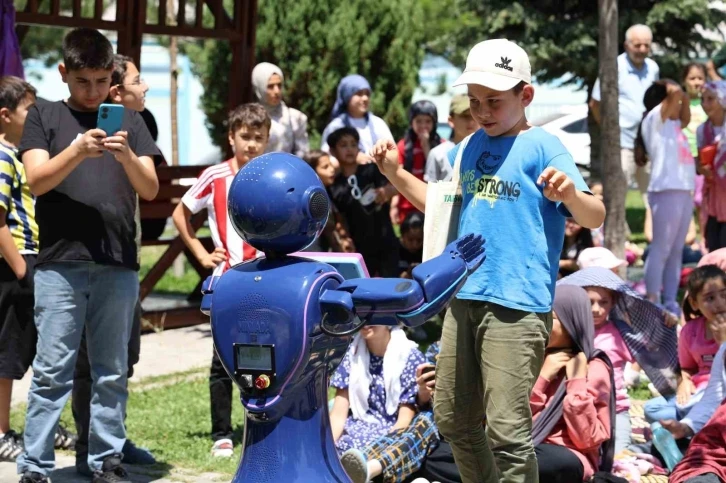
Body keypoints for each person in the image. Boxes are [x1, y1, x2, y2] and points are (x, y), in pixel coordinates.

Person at [369, 38, 605, 482]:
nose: (482, 111)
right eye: (474, 102)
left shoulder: (543, 146)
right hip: (464, 296)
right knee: (454, 417)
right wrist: (395, 174)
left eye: (494, 101)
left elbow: (595, 213)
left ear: (526, 95)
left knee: (507, 431)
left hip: (517, 307)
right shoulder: (470, 146)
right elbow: (440, 207)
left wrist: (570, 194)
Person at [16, 27, 159, 483]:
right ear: (64, 73)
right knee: (52, 371)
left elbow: (151, 188)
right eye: (83, 82)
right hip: (60, 263)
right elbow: (36, 180)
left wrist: (126, 158)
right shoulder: (44, 116)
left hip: (117, 263)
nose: (93, 91)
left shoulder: (131, 121)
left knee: (112, 371)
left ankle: (105, 462)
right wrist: (77, 150)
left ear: (112, 79)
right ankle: (35, 466)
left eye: (101, 82)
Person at [71, 53, 157, 476]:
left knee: (123, 358)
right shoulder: (81, 131)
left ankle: (112, 441)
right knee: (88, 363)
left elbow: (151, 189)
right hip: (86, 262)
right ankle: (90, 448)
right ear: (117, 91)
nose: (146, 88)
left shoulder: (140, 127)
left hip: (125, 259)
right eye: (139, 81)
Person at [172, 103, 269, 457]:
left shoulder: (271, 175)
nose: (252, 145)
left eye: (259, 137)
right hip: (228, 282)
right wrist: (200, 253)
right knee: (222, 360)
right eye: (245, 136)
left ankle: (260, 424)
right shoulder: (215, 177)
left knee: (263, 355)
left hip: (265, 282)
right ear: (231, 138)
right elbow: (180, 213)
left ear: (267, 139)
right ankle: (222, 433)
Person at [558, 267, 680, 454]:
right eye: (589, 302)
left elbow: (652, 344)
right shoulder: (569, 331)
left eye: (603, 302)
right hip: (577, 409)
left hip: (615, 411)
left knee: (619, 458)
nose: (596, 309)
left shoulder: (620, 332)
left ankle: (648, 447)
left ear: (613, 303)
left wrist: (666, 321)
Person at [531, 285, 615, 482]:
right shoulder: (535, 359)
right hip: (527, 445)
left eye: (549, 318)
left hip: (569, 455)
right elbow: (514, 422)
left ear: (572, 321)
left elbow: (588, 441)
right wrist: (542, 378)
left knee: (551, 461)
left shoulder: (594, 367)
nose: (540, 325)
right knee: (447, 451)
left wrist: (576, 383)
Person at [328, 325, 426, 483]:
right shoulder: (352, 353)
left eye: (372, 315)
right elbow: (338, 415)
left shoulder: (409, 356)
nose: (365, 322)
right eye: (361, 316)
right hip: (354, 433)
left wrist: (380, 448)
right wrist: (324, 451)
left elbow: (403, 423)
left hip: (388, 437)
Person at [590, 24, 659, 236]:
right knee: (617, 193)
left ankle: (653, 237)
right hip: (622, 142)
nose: (641, 49)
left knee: (653, 193)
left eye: (646, 45)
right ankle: (619, 237)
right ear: (626, 45)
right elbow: (595, 103)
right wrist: (611, 133)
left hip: (647, 143)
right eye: (637, 44)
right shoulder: (613, 66)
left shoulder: (653, 68)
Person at [0, 76, 38, 463]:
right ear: (6, 115)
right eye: (30, 108)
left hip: (28, 261)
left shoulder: (17, 153)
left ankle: (36, 425)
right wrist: (22, 270)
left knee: (30, 348)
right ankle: (1, 432)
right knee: (8, 353)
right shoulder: (2, 156)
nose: (37, 115)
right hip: (17, 262)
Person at [637, 80, 695, 314]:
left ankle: (670, 300)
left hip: (683, 190)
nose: (679, 104)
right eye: (674, 100)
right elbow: (673, 97)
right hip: (665, 191)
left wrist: (686, 97)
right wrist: (673, 87)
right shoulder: (654, 119)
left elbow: (687, 116)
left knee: (676, 250)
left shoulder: (675, 125)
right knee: (661, 248)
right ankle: (653, 298)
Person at [643, 265, 723, 423]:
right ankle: (694, 426)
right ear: (694, 303)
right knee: (652, 409)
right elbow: (687, 367)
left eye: (724, 295)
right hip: (698, 394)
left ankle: (688, 428)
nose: (719, 303)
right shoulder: (690, 331)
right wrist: (684, 381)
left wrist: (723, 341)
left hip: (722, 395)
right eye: (710, 298)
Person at [327, 127, 399, 277]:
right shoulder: (335, 187)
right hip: (360, 248)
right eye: (343, 145)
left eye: (353, 144)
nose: (350, 149)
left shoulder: (372, 170)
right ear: (333, 151)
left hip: (385, 239)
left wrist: (386, 192)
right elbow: (340, 219)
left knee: (391, 286)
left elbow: (396, 187)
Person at [321, 74, 394, 164]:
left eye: (367, 94)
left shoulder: (378, 123)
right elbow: (327, 159)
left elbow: (392, 152)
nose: (365, 98)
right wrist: (352, 159)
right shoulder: (336, 126)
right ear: (347, 97)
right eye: (359, 94)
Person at [391, 100, 442, 225]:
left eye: (428, 121)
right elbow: (396, 176)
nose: (423, 125)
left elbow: (440, 173)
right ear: (411, 122)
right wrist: (393, 205)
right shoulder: (403, 146)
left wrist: (426, 148)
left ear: (434, 123)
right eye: (418, 121)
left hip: (431, 206)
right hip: (407, 205)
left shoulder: (442, 145)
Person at [251, 62, 309, 157]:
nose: (276, 91)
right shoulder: (248, 117)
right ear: (259, 87)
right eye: (270, 86)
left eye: (279, 85)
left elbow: (303, 153)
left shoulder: (295, 117)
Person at [302, 149, 355, 253]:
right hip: (313, 252)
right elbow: (328, 230)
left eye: (331, 165)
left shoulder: (327, 190)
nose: (332, 170)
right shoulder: (314, 199)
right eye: (325, 167)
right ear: (313, 171)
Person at [696, 81, 726, 251]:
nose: (705, 104)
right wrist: (701, 168)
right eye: (703, 99)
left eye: (710, 99)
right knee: (713, 242)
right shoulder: (702, 130)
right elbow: (700, 161)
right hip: (713, 194)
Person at [424, 94, 478, 183]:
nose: (472, 121)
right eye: (465, 116)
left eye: (474, 114)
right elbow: (430, 191)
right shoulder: (438, 154)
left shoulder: (490, 151)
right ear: (451, 120)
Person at [398, 212, 423, 279]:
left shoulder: (426, 250)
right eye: (410, 240)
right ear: (402, 236)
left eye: (419, 240)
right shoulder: (393, 250)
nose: (415, 245)